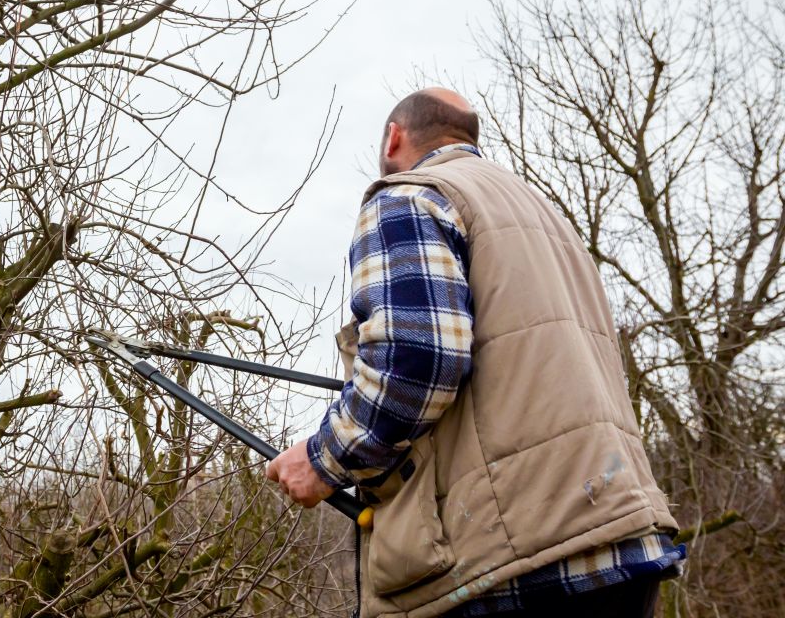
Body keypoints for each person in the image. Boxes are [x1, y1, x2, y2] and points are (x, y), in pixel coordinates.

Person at [266, 88, 683, 618]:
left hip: (511, 564)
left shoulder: (410, 196)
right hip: (621, 545)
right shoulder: (550, 225)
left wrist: (324, 458)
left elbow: (415, 359)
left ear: (394, 136)